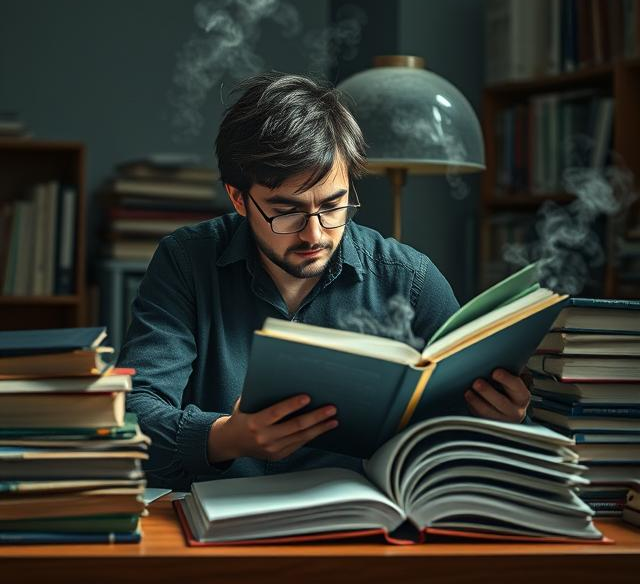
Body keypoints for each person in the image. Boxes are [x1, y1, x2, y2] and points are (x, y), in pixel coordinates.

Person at [118, 72, 531, 490]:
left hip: (366, 529)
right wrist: (224, 437)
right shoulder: (187, 262)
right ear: (238, 198)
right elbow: (133, 414)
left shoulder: (408, 280)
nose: (314, 234)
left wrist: (510, 422)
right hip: (215, 527)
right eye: (287, 211)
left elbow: (483, 442)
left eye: (333, 206)